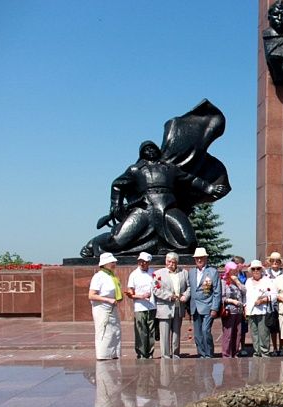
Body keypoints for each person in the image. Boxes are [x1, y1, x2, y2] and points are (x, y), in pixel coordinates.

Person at [80, 141, 227, 257]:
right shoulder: (135, 169)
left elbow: (190, 179)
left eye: (152, 148)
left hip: (168, 207)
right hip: (144, 209)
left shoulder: (170, 168)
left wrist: (210, 188)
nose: (150, 151)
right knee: (117, 242)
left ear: (158, 150)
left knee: (189, 243)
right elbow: (117, 185)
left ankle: (163, 250)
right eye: (146, 149)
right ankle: (93, 244)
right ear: (142, 153)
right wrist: (115, 205)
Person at [152, 252, 189, 359]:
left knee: (176, 333)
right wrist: (169, 296)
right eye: (169, 261)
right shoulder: (158, 274)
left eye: (173, 262)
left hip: (179, 307)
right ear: (165, 261)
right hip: (165, 307)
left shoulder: (184, 273)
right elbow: (155, 289)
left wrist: (185, 296)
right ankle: (165, 355)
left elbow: (189, 287)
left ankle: (176, 353)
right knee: (164, 333)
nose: (171, 264)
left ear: (177, 262)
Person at [187, 247, 221, 358]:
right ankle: (201, 354)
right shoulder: (191, 272)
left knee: (205, 331)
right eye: (197, 258)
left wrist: (215, 308)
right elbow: (189, 288)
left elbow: (217, 291)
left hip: (208, 306)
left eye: (201, 258)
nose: (199, 260)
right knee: (197, 335)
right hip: (195, 307)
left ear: (206, 258)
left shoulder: (212, 272)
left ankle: (209, 354)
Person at [88, 252, 123, 360]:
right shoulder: (98, 277)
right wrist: (108, 300)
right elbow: (91, 295)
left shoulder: (112, 276)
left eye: (114, 262)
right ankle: (103, 355)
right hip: (102, 309)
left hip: (112, 308)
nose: (114, 264)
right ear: (105, 263)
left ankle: (113, 354)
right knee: (104, 333)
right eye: (112, 262)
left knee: (114, 331)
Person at [127, 252, 156, 359]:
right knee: (141, 331)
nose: (142, 263)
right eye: (140, 261)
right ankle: (141, 353)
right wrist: (140, 296)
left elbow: (158, 286)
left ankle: (150, 353)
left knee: (151, 331)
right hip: (140, 307)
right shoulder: (134, 275)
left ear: (148, 262)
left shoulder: (153, 273)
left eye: (144, 262)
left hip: (152, 306)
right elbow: (130, 293)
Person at [244, 260, 276, 357]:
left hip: (263, 311)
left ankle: (265, 353)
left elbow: (274, 295)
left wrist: (263, 301)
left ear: (261, 269)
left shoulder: (267, 280)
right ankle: (257, 353)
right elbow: (246, 297)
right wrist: (246, 309)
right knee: (254, 334)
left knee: (264, 334)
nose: (256, 270)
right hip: (251, 312)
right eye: (253, 269)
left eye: (258, 268)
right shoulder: (248, 281)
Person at [219, 261, 246, 358]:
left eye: (236, 271)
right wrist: (232, 301)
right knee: (228, 334)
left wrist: (238, 282)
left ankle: (235, 353)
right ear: (228, 271)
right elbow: (222, 297)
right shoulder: (223, 281)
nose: (235, 273)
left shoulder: (237, 280)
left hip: (238, 311)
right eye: (233, 271)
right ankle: (226, 354)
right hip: (229, 311)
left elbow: (244, 291)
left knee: (237, 334)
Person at [231, 255, 250, 357]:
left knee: (243, 327)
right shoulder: (231, 274)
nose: (242, 265)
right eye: (240, 263)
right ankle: (234, 348)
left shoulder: (243, 274)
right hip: (233, 303)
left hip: (243, 303)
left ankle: (242, 347)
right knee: (233, 327)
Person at [265, 251, 283, 356]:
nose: (275, 262)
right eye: (273, 260)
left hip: (282, 303)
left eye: (277, 260)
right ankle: (275, 348)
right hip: (270, 304)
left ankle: (281, 348)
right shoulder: (266, 273)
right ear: (270, 261)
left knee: (281, 327)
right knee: (272, 327)